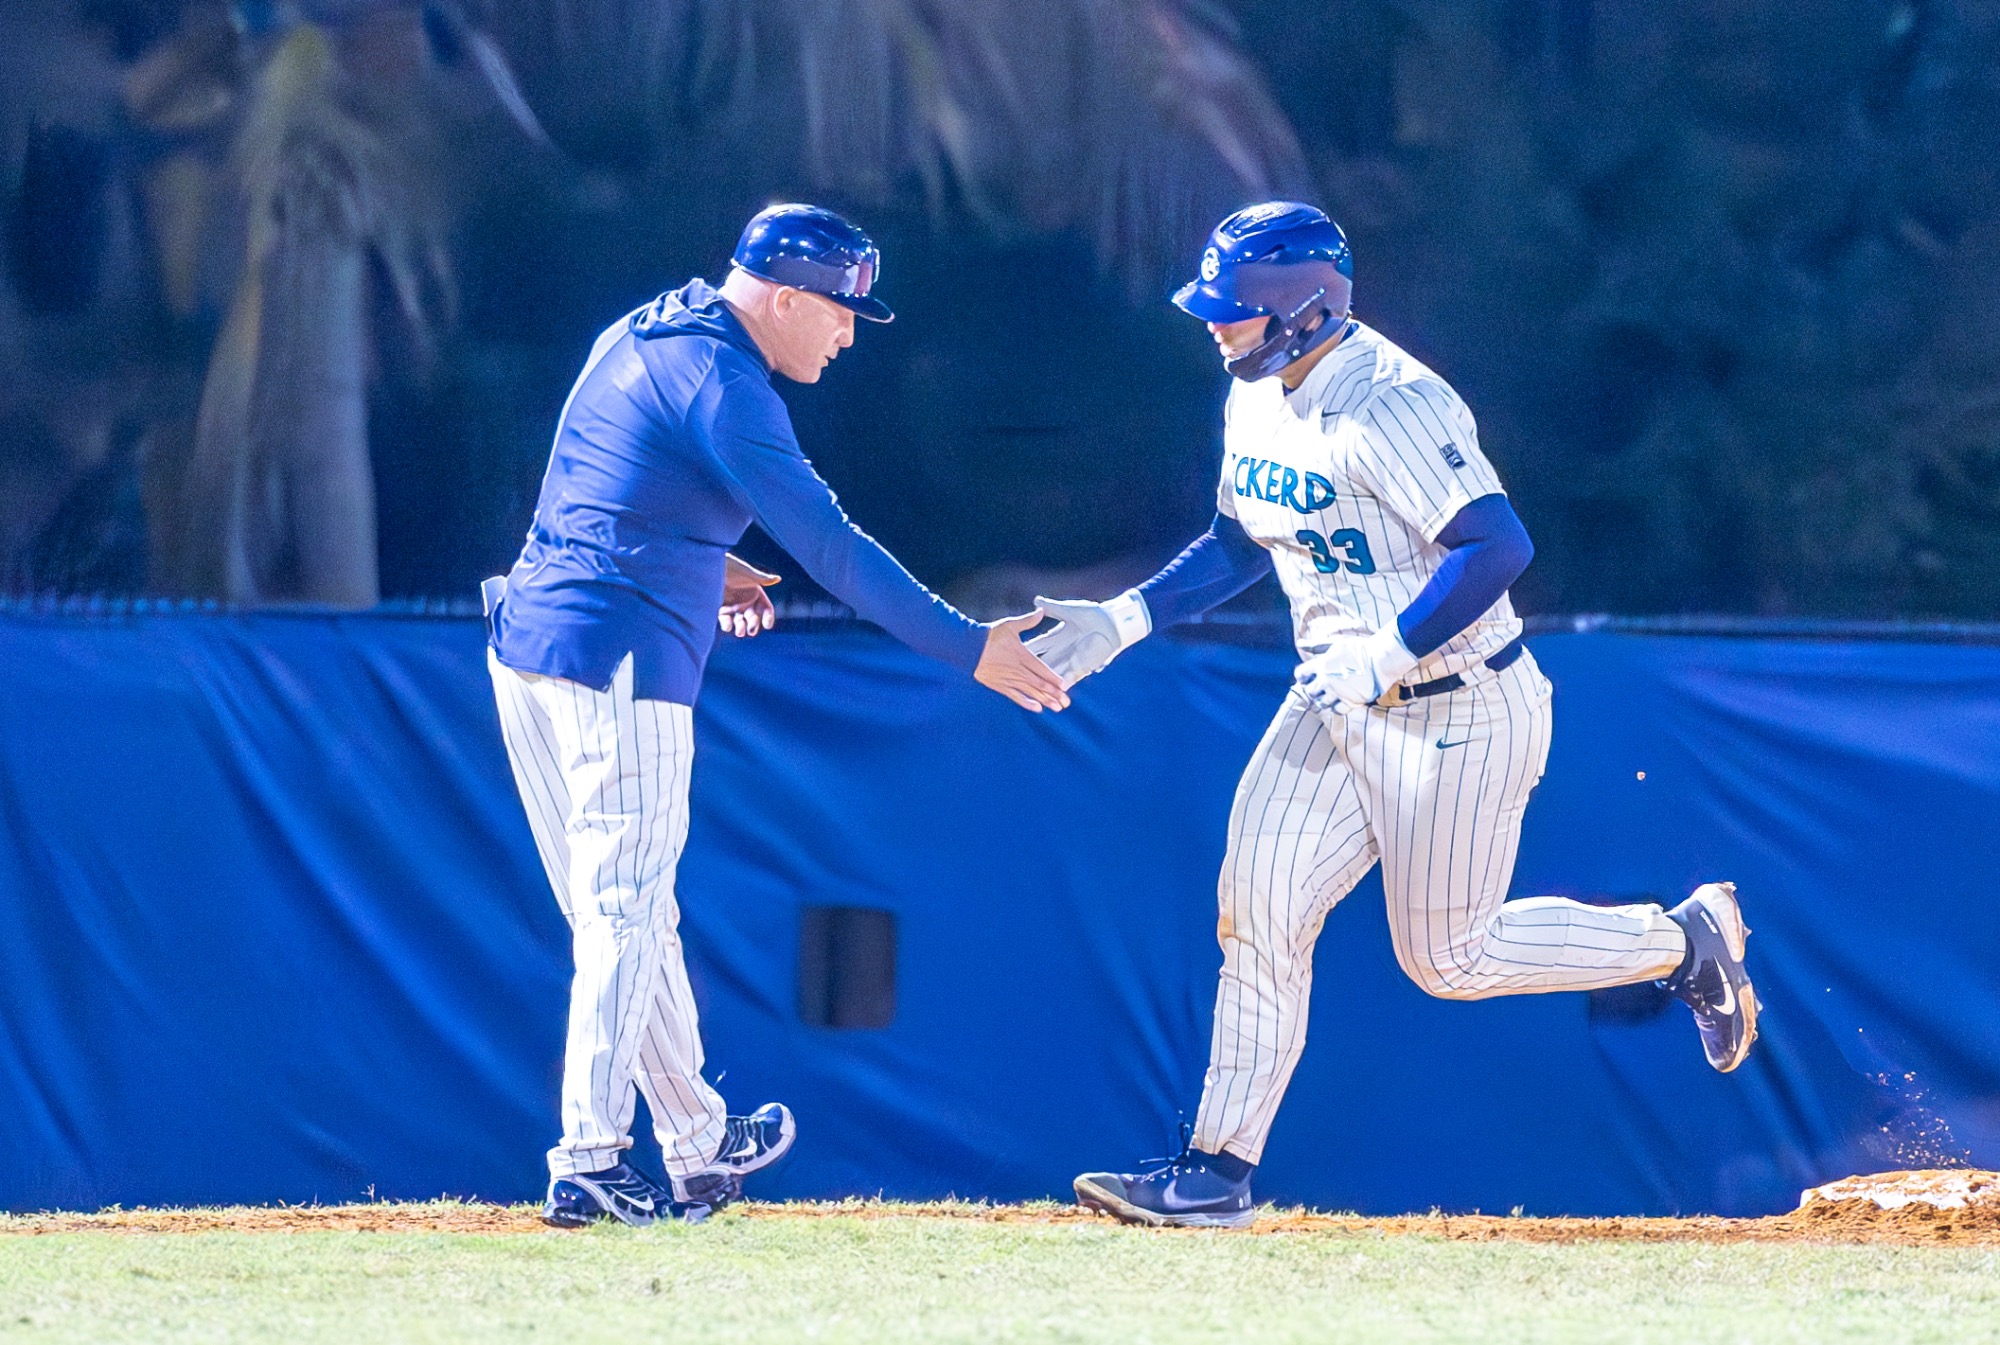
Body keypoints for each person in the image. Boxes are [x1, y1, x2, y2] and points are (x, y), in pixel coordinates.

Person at [1032, 202, 1757, 1229]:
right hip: (1333, 696)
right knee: (1257, 912)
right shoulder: (1257, 390)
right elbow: (1243, 537)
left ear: (1299, 312)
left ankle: (1678, 941)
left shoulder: (1395, 400)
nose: (1213, 324)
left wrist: (1389, 647)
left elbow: (1496, 546)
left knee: (1447, 960)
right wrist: (1124, 617)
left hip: (1455, 705)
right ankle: (1213, 1173)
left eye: (1234, 310)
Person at [484, 203, 1068, 1228]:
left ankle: (699, 1142)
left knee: (625, 908)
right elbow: (833, 549)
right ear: (788, 297)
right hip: (618, 657)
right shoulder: (730, 387)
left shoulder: (649, 327)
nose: (848, 334)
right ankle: (585, 1160)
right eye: (841, 311)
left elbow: (598, 480)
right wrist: (968, 646)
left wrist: (706, 558)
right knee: (624, 909)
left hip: (532, 640)